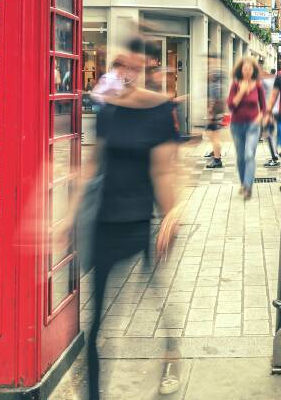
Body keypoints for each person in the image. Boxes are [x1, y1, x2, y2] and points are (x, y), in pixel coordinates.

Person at [62, 41, 183, 399]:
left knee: (158, 298)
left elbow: (163, 170)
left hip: (140, 222)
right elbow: (92, 164)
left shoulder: (159, 110)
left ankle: (170, 355)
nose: (126, 73)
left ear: (145, 68)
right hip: (103, 222)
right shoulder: (108, 110)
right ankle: (94, 393)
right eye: (120, 66)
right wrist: (69, 216)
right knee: (98, 320)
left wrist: (170, 216)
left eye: (133, 67)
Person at [227, 57, 266, 200]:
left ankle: (248, 186)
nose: (247, 71)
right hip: (236, 126)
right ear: (241, 70)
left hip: (253, 126)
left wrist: (260, 118)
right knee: (240, 157)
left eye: (250, 69)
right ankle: (243, 183)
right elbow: (231, 106)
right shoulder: (235, 85)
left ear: (254, 70)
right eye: (245, 69)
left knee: (249, 154)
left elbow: (264, 108)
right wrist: (241, 91)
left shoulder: (258, 86)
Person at [204, 53, 226, 169]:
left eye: (209, 61)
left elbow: (215, 93)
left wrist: (211, 110)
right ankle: (215, 152)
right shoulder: (217, 73)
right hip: (217, 108)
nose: (208, 63)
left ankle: (217, 160)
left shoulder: (214, 74)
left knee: (214, 136)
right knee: (212, 135)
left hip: (216, 109)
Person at [260, 65, 280, 167]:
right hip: (276, 109)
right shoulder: (273, 79)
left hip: (271, 110)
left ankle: (275, 157)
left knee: (270, 133)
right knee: (271, 133)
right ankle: (276, 154)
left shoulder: (263, 80)